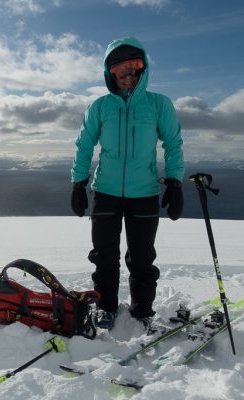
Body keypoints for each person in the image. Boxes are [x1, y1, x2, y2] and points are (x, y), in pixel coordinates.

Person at [70, 37, 184, 330]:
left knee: (142, 258)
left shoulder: (159, 105)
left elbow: (172, 143)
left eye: (134, 66)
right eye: (121, 68)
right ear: (110, 73)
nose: (128, 74)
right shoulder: (100, 106)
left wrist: (175, 182)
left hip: (144, 193)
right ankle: (106, 307)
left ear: (144, 68)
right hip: (105, 192)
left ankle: (142, 311)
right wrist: (78, 183)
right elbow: (84, 144)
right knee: (104, 257)